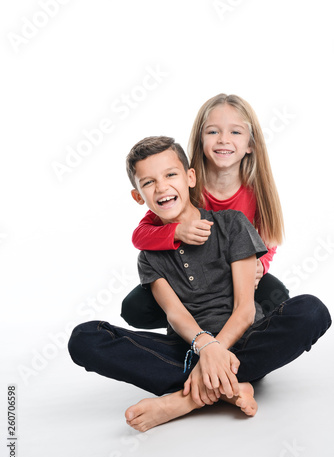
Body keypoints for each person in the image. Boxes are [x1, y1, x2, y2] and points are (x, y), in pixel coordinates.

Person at [68, 136, 331, 433]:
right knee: (85, 338)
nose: (162, 187)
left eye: (170, 175)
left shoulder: (231, 224)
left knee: (311, 311)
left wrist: (218, 353)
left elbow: (245, 310)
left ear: (190, 177)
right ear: (138, 196)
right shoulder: (149, 257)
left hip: (245, 340)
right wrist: (206, 349)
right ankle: (228, 387)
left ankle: (185, 401)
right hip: (190, 349)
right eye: (149, 182)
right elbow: (175, 314)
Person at [121, 94, 289, 330]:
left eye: (235, 132)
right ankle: (194, 324)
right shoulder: (186, 187)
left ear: (251, 144)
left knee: (278, 297)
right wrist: (178, 231)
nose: (223, 140)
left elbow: (269, 240)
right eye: (212, 132)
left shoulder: (258, 192)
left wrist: (262, 264)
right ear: (200, 140)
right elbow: (140, 236)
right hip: (190, 280)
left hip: (235, 275)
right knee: (135, 307)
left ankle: (243, 336)